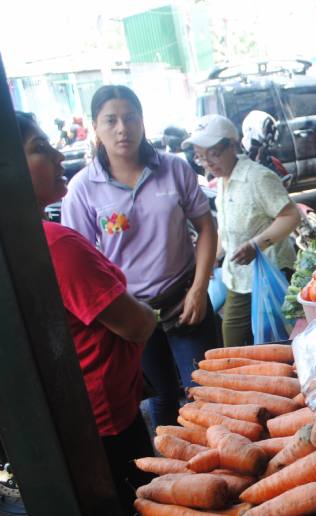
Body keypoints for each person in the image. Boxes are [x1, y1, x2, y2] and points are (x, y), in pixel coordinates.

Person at [15, 112, 157, 513]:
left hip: (80, 415)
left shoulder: (27, 238)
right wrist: (149, 314)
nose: (59, 154)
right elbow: (136, 324)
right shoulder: (55, 245)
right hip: (106, 421)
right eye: (39, 149)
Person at [61, 85, 219, 430]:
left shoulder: (174, 169)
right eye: (111, 120)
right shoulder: (82, 189)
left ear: (142, 121)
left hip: (185, 300)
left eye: (130, 117)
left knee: (207, 390)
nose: (122, 128)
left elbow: (206, 227)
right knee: (160, 397)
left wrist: (198, 288)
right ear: (95, 128)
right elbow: (80, 262)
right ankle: (172, 476)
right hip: (131, 313)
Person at [183, 115, 300, 347]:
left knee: (261, 339)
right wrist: (211, 260)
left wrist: (257, 245)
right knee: (248, 340)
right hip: (240, 277)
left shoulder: (257, 178)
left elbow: (291, 215)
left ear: (232, 145)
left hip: (268, 275)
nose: (207, 163)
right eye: (201, 157)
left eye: (213, 153)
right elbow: (226, 231)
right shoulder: (224, 180)